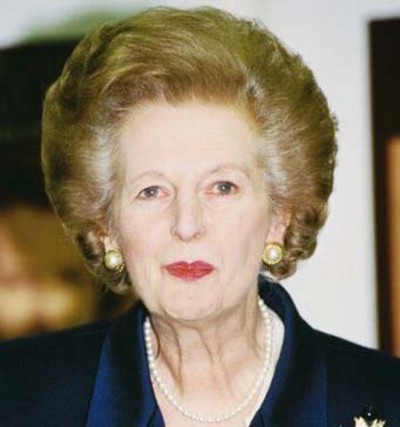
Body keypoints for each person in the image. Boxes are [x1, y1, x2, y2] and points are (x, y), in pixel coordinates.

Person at [0, 6, 399, 427]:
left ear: (281, 214)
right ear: (105, 228)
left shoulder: (386, 400)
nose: (187, 225)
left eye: (222, 187)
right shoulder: (15, 397)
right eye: (152, 191)